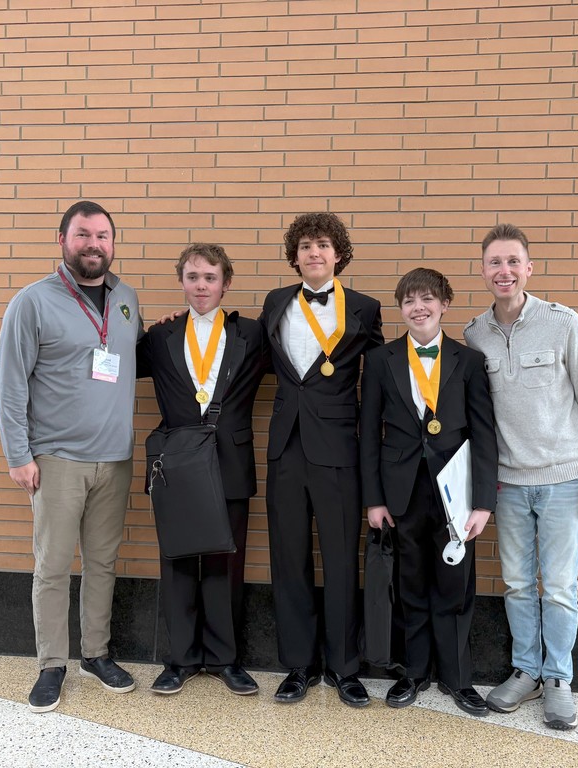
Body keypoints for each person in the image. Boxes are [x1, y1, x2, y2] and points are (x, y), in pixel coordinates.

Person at [0, 200, 142, 714]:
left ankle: (95, 654)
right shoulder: (33, 302)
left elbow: (128, 358)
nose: (94, 244)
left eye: (103, 235)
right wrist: (19, 454)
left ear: (112, 244)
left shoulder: (126, 299)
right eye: (83, 234)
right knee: (53, 566)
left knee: (102, 563)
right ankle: (51, 663)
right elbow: (10, 384)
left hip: (115, 459)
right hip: (56, 458)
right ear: (62, 240)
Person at [463, 223, 578, 730]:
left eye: (512, 262)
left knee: (561, 587)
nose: (503, 271)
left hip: (566, 480)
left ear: (529, 268)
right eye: (494, 263)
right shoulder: (474, 334)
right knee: (520, 584)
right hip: (508, 484)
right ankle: (525, 671)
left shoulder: (562, 322)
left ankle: (559, 680)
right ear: (483, 272)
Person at [360, 268, 498, 716]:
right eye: (409, 301)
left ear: (444, 304)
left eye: (427, 299)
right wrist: (374, 499)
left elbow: (484, 434)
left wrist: (483, 503)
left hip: (454, 493)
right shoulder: (381, 360)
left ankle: (458, 679)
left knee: (455, 585)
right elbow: (367, 434)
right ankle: (414, 673)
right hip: (401, 491)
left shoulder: (468, 360)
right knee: (411, 583)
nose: (418, 308)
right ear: (401, 309)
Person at [260, 212, 384, 708]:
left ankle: (344, 667)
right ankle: (298, 666)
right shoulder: (274, 303)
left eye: (324, 245)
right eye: (306, 245)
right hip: (286, 447)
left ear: (339, 254)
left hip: (338, 449)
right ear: (295, 255)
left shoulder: (364, 307)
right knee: (289, 559)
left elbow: (378, 380)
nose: (315, 252)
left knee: (339, 559)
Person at [136, 243, 269, 697]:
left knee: (224, 562)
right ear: (181, 281)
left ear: (225, 283)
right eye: (192, 276)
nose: (201, 286)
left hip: (229, 461)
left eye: (210, 278)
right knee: (176, 561)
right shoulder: (159, 338)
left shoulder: (252, 334)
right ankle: (180, 660)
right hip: (176, 463)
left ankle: (224, 659)